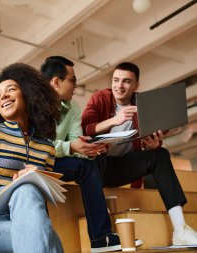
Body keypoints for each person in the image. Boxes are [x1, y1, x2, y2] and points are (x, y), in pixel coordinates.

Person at [81, 61, 197, 246]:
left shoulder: (143, 104)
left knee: (160, 154)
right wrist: (114, 120)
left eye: (126, 81)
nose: (119, 86)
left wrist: (153, 144)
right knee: (97, 156)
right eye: (116, 80)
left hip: (122, 168)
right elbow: (86, 128)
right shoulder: (100, 97)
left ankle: (180, 229)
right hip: (97, 167)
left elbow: (157, 132)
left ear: (136, 85)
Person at [40, 56, 143, 253]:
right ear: (56, 82)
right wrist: (71, 147)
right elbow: (37, 146)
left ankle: (100, 239)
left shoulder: (74, 108)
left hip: (56, 162)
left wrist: (90, 150)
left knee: (88, 165)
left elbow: (77, 141)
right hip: (32, 163)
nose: (75, 86)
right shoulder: (32, 105)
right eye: (72, 80)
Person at [0, 63, 64, 253]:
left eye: (11, 90)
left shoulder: (47, 147)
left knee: (44, 232)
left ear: (28, 94)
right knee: (48, 238)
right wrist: (13, 187)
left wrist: (40, 179)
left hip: (26, 219)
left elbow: (43, 200)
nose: (3, 96)